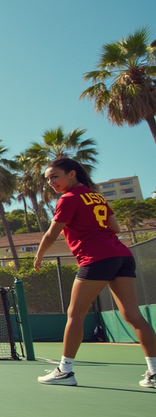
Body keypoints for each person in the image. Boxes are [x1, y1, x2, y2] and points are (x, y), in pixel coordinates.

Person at [33, 157, 156, 388]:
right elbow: (115, 228)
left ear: (72, 174)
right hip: (122, 256)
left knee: (75, 315)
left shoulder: (68, 199)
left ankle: (65, 371)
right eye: (48, 179)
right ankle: (154, 372)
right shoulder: (96, 196)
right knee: (133, 315)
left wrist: (38, 255)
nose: (51, 182)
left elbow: (51, 234)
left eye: (55, 176)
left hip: (97, 258)